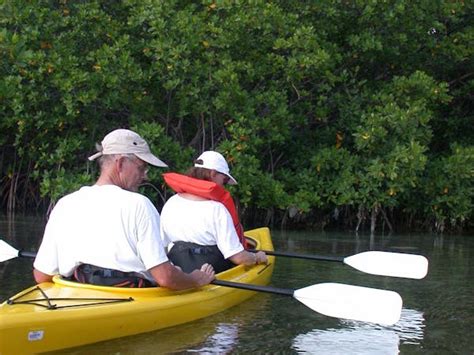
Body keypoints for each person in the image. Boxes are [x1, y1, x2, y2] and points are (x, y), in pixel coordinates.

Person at [33, 129, 215, 290]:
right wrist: (194, 279)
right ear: (120, 163)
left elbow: (41, 276)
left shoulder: (66, 203)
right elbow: (165, 277)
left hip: (77, 290)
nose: (145, 176)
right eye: (142, 167)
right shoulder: (139, 205)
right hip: (129, 294)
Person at [160, 151, 267, 273]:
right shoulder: (217, 209)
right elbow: (238, 257)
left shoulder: (171, 202)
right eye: (225, 180)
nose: (224, 185)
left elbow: (163, 246)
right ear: (213, 173)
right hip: (211, 272)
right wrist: (257, 257)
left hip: (179, 270)